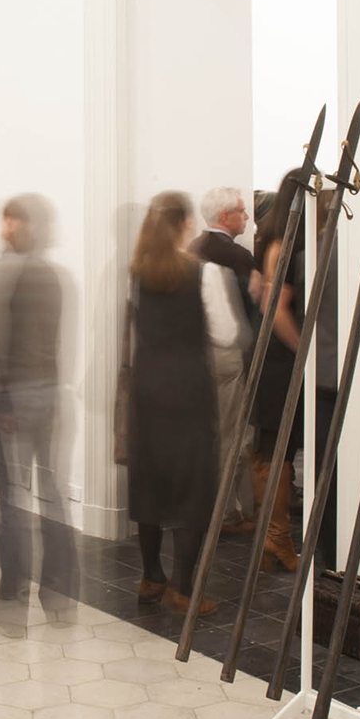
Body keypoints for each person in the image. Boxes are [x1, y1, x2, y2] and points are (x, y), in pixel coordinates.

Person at [126, 191, 243, 616]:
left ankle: (150, 576)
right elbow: (226, 333)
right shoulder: (203, 274)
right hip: (188, 390)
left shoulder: (137, 272)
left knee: (151, 482)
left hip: (147, 389)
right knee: (193, 487)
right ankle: (182, 588)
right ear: (183, 225)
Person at [0, 194, 76, 635]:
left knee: (13, 505)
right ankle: (60, 602)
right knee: (52, 498)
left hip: (14, 400)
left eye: (9, 220)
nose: (3, 228)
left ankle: (11, 610)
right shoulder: (54, 275)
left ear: (19, 224)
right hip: (49, 397)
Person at [250, 169, 340, 572]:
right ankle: (277, 540)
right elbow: (275, 307)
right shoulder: (290, 243)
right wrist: (307, 350)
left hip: (274, 354)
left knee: (276, 448)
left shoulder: (272, 238)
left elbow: (262, 294)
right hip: (284, 357)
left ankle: (276, 539)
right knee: (278, 449)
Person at [190, 187, 261, 539]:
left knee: (206, 434)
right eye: (242, 212)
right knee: (233, 435)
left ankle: (212, 509)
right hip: (229, 354)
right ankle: (228, 513)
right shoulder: (238, 256)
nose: (247, 218)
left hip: (195, 357)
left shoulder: (191, 250)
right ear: (225, 217)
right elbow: (253, 309)